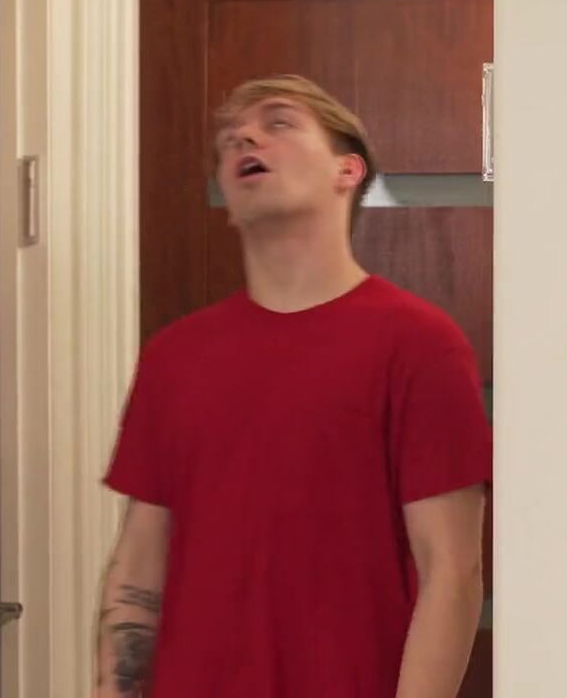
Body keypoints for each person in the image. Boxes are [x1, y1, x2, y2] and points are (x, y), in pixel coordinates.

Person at [93, 74, 492, 698]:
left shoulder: (419, 345)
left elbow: (452, 572)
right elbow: (139, 564)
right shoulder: (174, 357)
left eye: (278, 122)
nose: (243, 138)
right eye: (229, 139)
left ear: (347, 170)